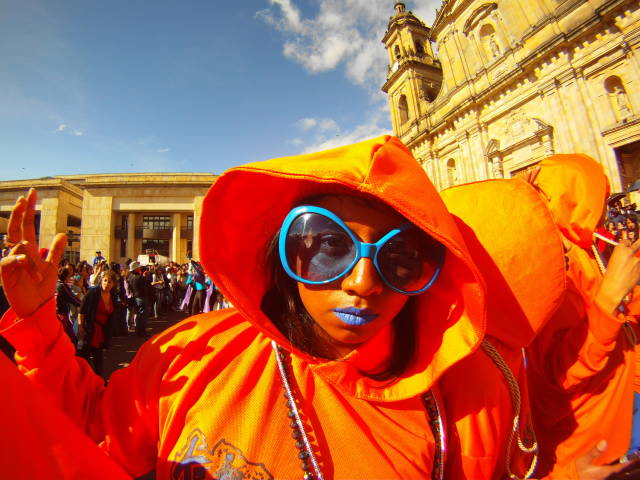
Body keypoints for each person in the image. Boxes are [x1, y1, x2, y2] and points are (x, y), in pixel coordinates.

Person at [0, 138, 634, 479]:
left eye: (402, 257)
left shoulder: (473, 396)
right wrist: (38, 326)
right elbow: (86, 434)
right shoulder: (192, 355)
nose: (362, 282)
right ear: (284, 253)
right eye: (327, 245)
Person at [525, 154, 640, 478]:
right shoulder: (551, 266)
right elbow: (560, 373)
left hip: (619, 414)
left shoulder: (583, 251)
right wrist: (609, 297)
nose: (606, 207)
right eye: (600, 195)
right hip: (590, 446)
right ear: (579, 198)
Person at [78, 271, 117, 379]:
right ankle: (83, 380)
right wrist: (81, 327)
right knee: (85, 357)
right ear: (101, 281)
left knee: (98, 357)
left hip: (102, 331)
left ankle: (98, 381)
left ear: (113, 284)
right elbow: (82, 310)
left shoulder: (113, 295)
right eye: (105, 281)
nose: (107, 284)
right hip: (90, 329)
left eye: (109, 282)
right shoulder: (93, 293)